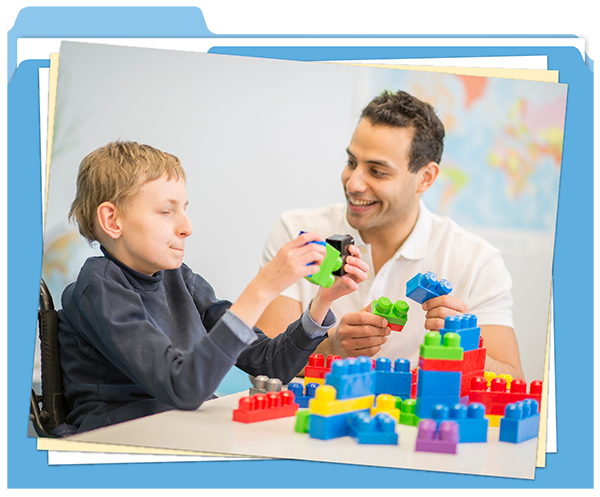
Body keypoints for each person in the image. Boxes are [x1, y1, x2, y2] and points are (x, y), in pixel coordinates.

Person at [57, 141, 369, 433]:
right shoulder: (98, 288)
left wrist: (322, 303)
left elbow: (270, 365)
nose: (187, 227)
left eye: (184, 208)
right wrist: (262, 287)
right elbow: (183, 387)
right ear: (112, 220)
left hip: (180, 427)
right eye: (167, 211)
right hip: (120, 437)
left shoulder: (180, 279)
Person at [257, 90, 524, 379]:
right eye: (351, 162)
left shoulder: (476, 261)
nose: (353, 182)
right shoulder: (299, 233)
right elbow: (261, 360)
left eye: (377, 171)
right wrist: (331, 347)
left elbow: (513, 380)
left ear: (426, 178)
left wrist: (466, 348)